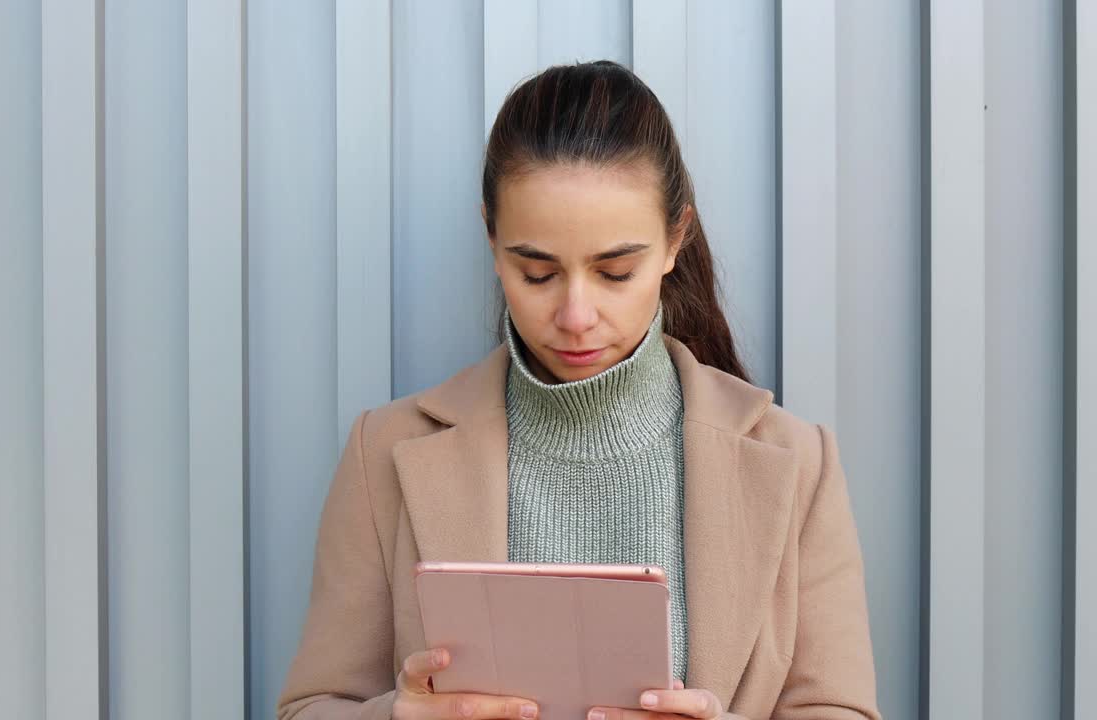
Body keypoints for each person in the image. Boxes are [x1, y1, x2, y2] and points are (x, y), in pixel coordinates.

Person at [277, 60, 880, 720]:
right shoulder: (383, 453)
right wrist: (397, 716)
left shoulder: (797, 464)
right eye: (536, 273)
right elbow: (313, 705)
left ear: (676, 238)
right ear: (491, 236)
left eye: (615, 272)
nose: (574, 316)